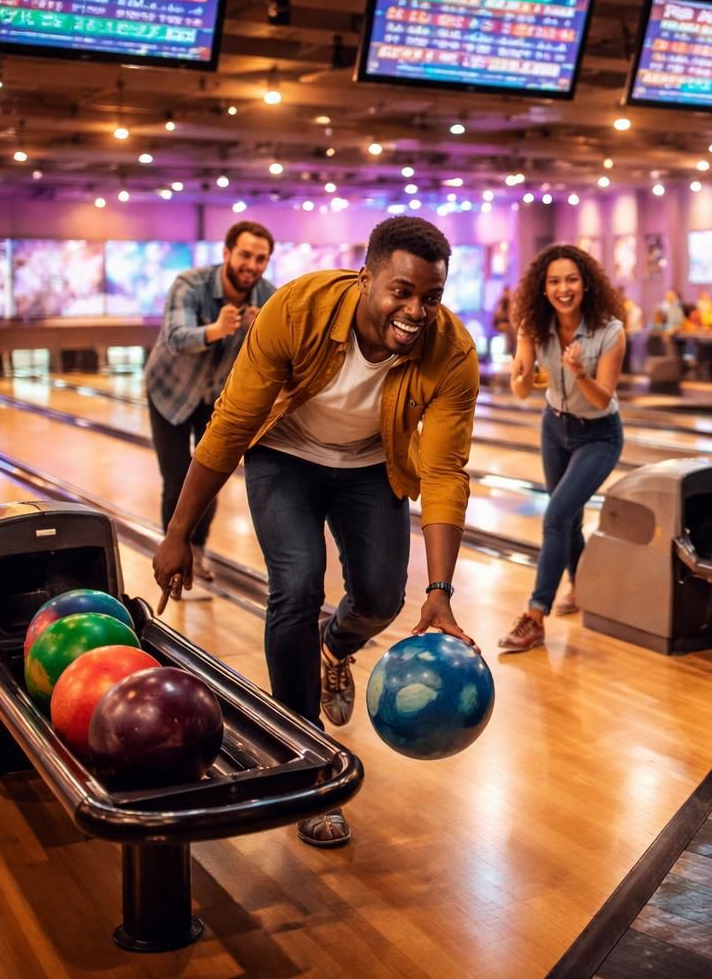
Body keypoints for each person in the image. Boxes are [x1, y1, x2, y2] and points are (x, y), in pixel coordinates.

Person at [151, 217, 480, 848]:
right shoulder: (295, 310)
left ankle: (335, 648)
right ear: (366, 278)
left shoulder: (452, 352)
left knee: (382, 598)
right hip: (285, 456)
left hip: (370, 466)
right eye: (402, 291)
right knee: (297, 585)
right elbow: (231, 424)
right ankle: (306, 762)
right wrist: (179, 534)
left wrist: (440, 591)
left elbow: (444, 471)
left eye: (431, 296)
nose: (416, 310)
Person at [500, 244, 627, 653]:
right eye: (554, 281)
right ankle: (583, 586)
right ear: (543, 288)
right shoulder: (534, 327)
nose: (563, 288)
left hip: (599, 435)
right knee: (566, 519)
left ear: (586, 284)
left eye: (571, 279)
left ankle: (535, 616)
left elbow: (602, 399)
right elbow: (522, 391)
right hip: (554, 428)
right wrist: (521, 373)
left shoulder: (610, 331)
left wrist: (578, 372)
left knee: (556, 514)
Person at [144, 221, 276, 586]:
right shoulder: (190, 284)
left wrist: (258, 331)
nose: (252, 265)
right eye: (245, 255)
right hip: (169, 392)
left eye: (261, 259)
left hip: (218, 397)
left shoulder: (269, 297)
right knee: (176, 477)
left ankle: (197, 551)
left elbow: (279, 353)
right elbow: (175, 337)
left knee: (207, 475)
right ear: (227, 253)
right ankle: (172, 552)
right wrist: (217, 329)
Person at [491, 286, 517, 359]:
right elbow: (497, 318)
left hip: (508, 324)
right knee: (511, 330)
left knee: (514, 330)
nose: (507, 294)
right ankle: (511, 351)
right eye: (506, 292)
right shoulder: (500, 303)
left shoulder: (511, 302)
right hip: (499, 324)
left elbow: (511, 317)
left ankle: (513, 350)